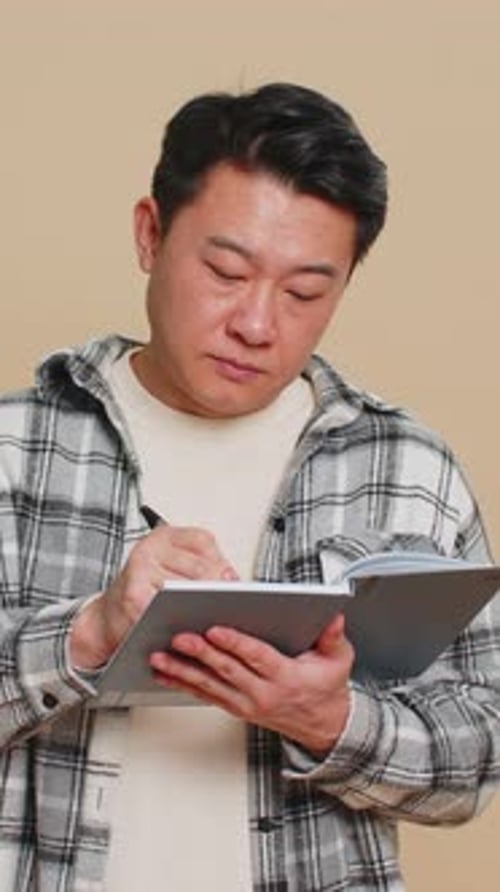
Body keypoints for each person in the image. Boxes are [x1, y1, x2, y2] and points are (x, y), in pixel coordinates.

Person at [0, 82, 499, 892]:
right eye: (227, 271)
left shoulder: (408, 468)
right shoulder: (14, 448)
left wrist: (332, 721)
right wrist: (89, 633)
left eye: (305, 293)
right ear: (150, 234)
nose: (259, 325)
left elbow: (481, 755)